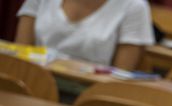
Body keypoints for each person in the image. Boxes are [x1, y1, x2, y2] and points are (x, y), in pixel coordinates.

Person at [15, 0, 155, 70]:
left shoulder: (134, 6)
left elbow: (119, 78)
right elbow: (18, 56)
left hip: (89, 97)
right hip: (32, 81)